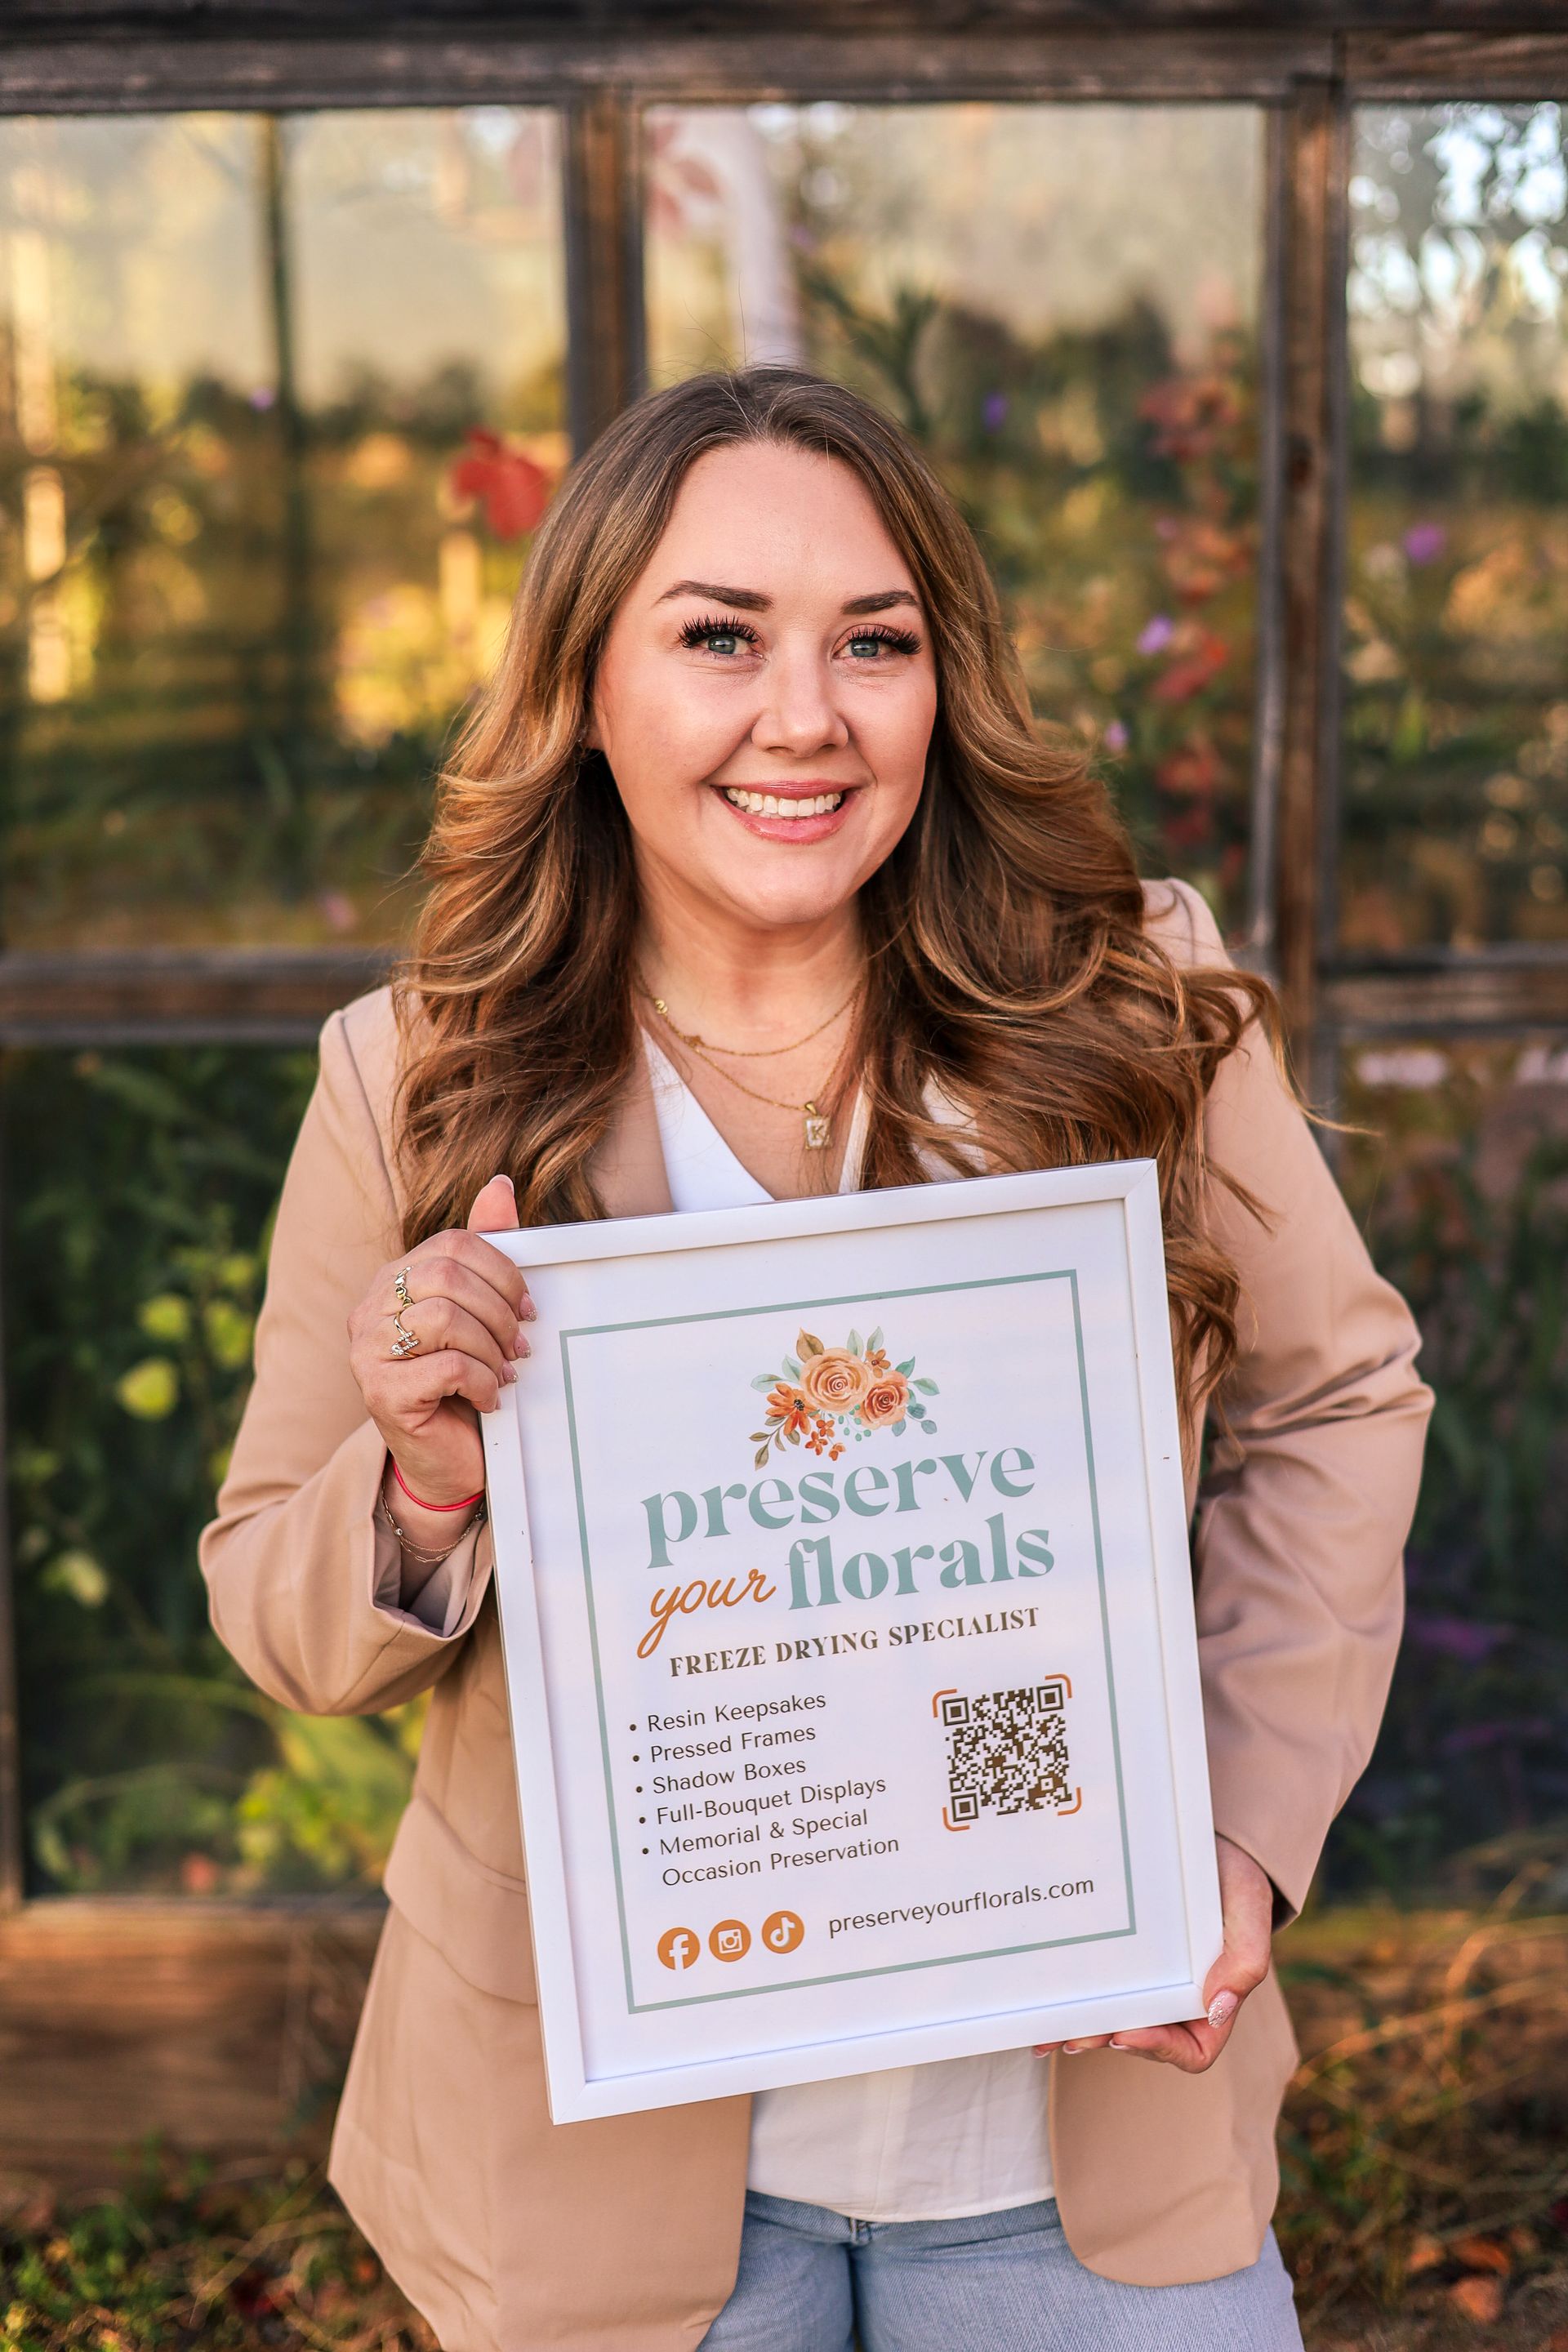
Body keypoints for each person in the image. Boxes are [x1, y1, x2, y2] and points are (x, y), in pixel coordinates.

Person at [202, 366, 1431, 2352]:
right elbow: (279, 1609)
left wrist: (1240, 1838)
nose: (809, 717)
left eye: (877, 640)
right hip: (615, 2176)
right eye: (719, 639)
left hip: (1082, 2139)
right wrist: (427, 1482)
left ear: (945, 681)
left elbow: (1334, 1400)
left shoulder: (1133, 1006)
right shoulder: (419, 1075)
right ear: (586, 684)